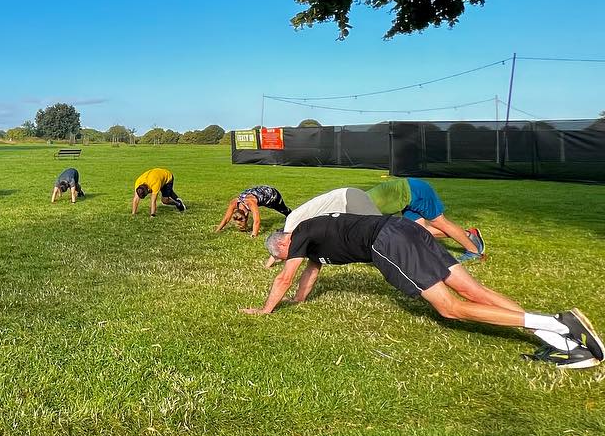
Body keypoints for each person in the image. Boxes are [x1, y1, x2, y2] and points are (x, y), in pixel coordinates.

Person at [246, 213, 601, 369]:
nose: (284, 258)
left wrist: (265, 310)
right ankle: (568, 346)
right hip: (406, 229)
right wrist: (298, 301)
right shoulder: (313, 243)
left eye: (279, 255)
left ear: (283, 244)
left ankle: (556, 323)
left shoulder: (300, 233)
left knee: (449, 308)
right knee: (475, 291)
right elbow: (309, 274)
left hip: (388, 242)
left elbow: (285, 277)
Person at [366, 177, 484, 260]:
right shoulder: (357, 202)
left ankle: (474, 252)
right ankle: (468, 234)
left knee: (440, 222)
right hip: (407, 198)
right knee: (417, 231)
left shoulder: (360, 210)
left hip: (415, 191)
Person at [215, 185, 291, 237]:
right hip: (259, 193)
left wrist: (254, 235)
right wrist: (217, 230)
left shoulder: (250, 203)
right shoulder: (234, 202)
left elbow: (257, 221)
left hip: (271, 195)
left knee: (283, 210)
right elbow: (226, 218)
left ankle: (293, 216)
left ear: (245, 213)